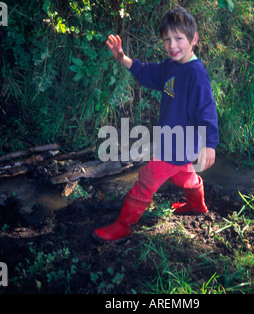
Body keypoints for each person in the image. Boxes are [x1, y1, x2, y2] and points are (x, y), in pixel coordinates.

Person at [93, 7, 219, 243]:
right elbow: (147, 72)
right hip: (173, 140)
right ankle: (197, 205)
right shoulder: (171, 66)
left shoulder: (195, 74)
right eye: (167, 39)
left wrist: (209, 144)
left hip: (179, 144)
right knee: (183, 174)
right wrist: (122, 58)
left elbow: (207, 110)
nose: (172, 45)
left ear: (194, 39)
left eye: (179, 38)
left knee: (146, 179)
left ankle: (122, 227)